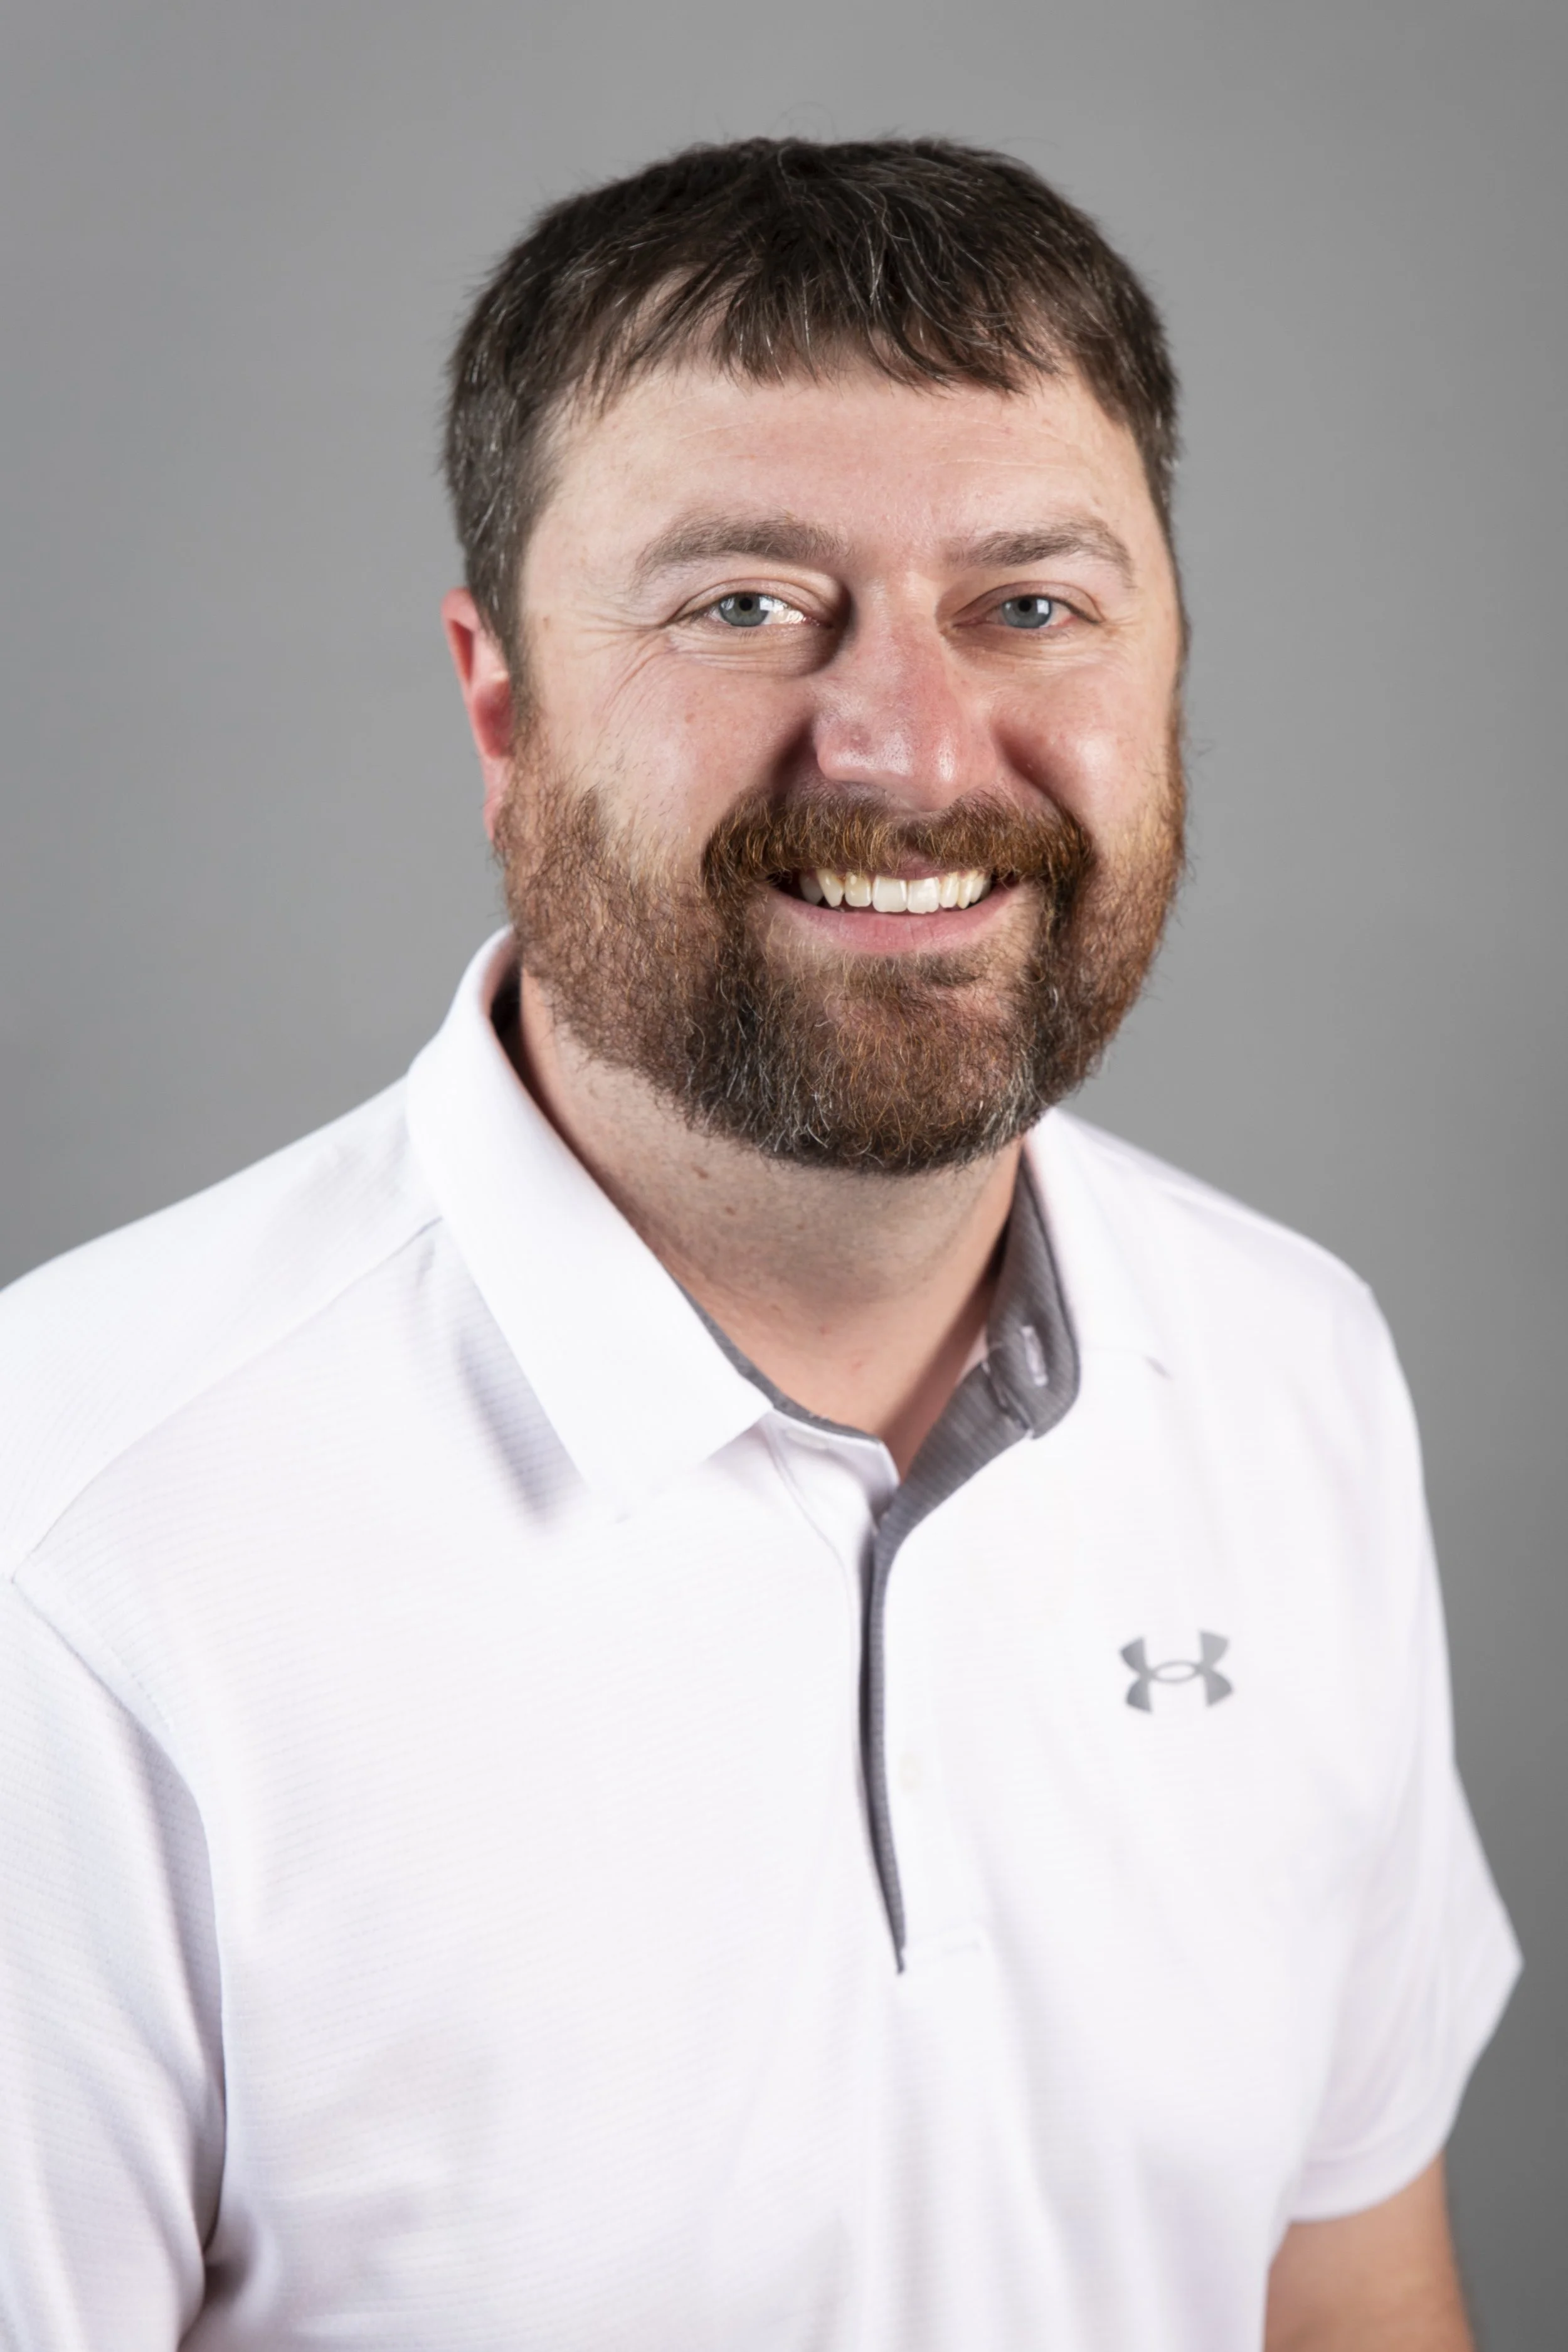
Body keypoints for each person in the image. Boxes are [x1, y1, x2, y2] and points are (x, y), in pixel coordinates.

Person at [0, 137, 1518, 2351]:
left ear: (1167, 668)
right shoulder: (74, 1530)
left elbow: (1351, 2292)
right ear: (498, 703)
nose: (908, 750)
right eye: (741, 603)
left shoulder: (1290, 1364)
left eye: (1030, 603)